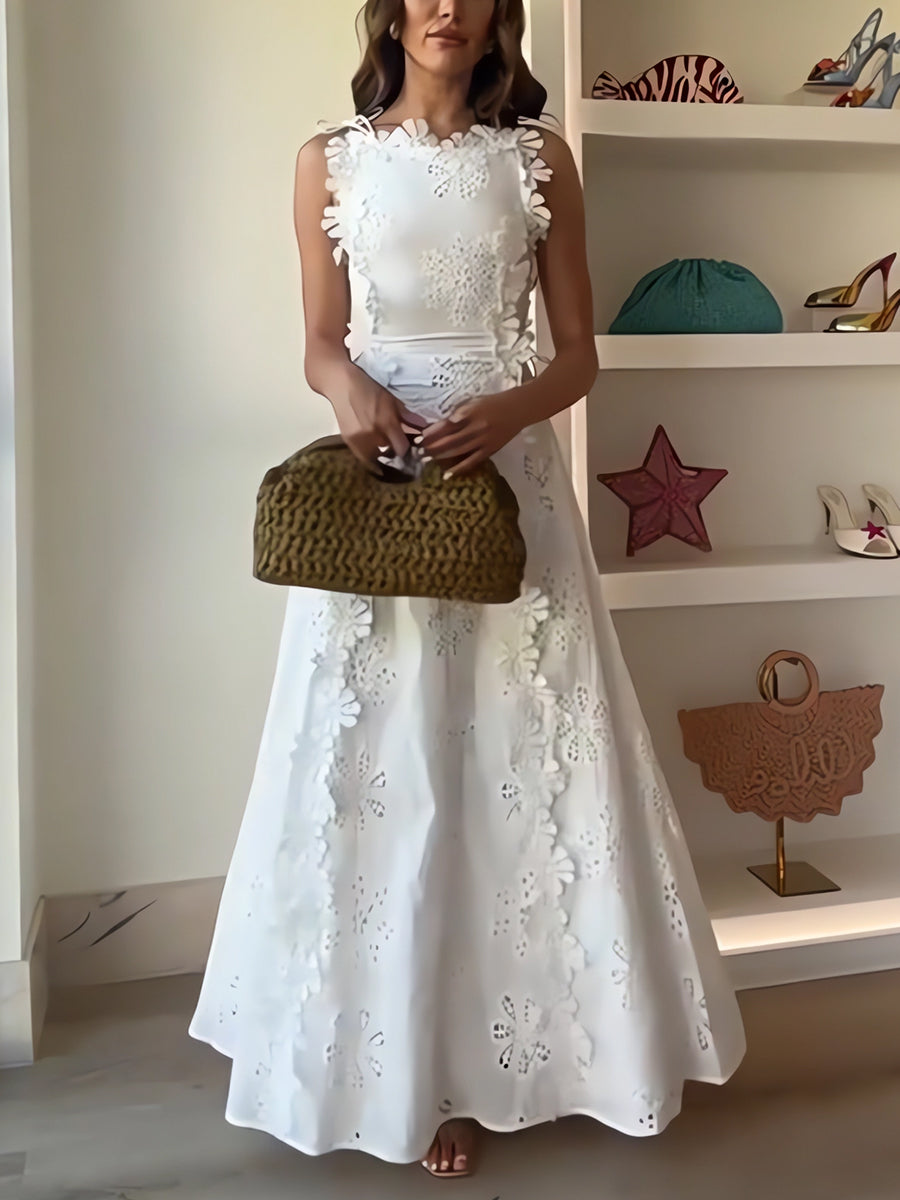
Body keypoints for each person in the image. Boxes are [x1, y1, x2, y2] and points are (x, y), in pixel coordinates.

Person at [188, 0, 747, 1181]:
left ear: (500, 14)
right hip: (381, 491)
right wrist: (348, 392)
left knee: (513, 761)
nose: (446, 6)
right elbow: (321, 339)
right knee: (391, 769)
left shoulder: (539, 160)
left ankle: (532, 1063)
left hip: (512, 489)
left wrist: (511, 409)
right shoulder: (328, 161)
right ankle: (409, 1075)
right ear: (392, 13)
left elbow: (579, 353)